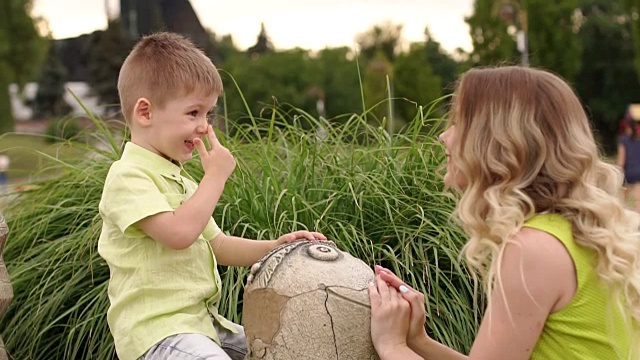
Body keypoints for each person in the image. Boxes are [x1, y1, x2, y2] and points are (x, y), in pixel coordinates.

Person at [368, 66, 640, 360]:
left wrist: (392, 346)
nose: (443, 137)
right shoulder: (572, 233)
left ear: (497, 140)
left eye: (459, 121)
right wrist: (419, 341)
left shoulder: (532, 250)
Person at [97, 32, 326, 360]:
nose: (204, 127)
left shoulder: (184, 183)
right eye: (193, 113)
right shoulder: (128, 177)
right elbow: (178, 234)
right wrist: (215, 176)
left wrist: (276, 247)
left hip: (202, 326)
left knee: (287, 348)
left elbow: (218, 245)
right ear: (145, 113)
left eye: (208, 114)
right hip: (156, 332)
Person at [616, 110, 640, 212]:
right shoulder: (639, 138)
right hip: (639, 172)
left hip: (628, 173)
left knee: (622, 201)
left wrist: (617, 172)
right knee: (638, 201)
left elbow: (621, 160)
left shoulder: (623, 139)